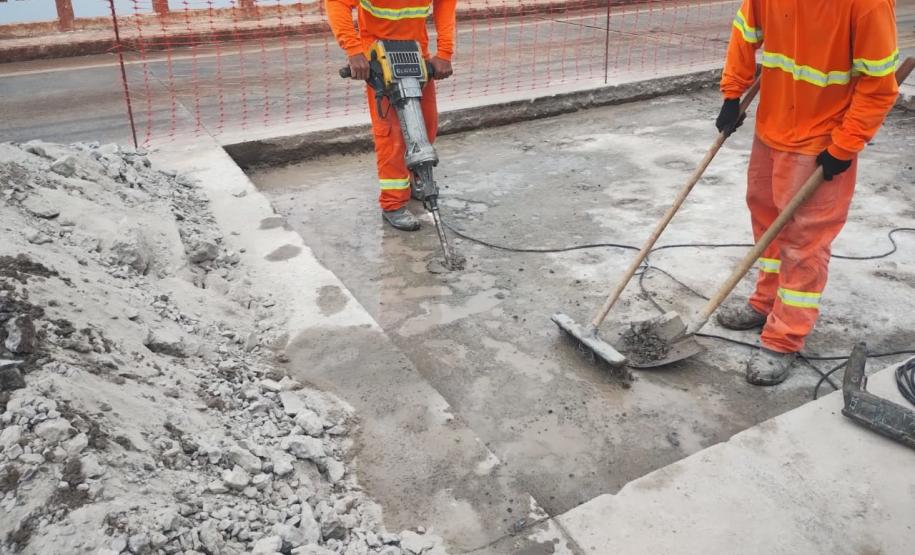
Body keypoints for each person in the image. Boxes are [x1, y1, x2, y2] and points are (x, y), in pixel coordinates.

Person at [715, 0, 898, 385]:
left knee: (804, 243)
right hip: (773, 125)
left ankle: (784, 337)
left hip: (821, 141)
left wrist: (845, 145)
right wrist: (734, 92)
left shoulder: (866, 5)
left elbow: (879, 86)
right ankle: (765, 302)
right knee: (766, 218)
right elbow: (747, 31)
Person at [326, 0, 457, 231]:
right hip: (379, 56)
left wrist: (445, 52)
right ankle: (393, 203)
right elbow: (337, 3)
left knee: (426, 126)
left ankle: (417, 178)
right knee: (393, 135)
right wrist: (354, 50)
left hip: (417, 52)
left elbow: (445, 4)